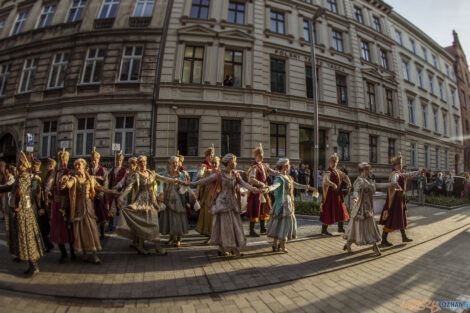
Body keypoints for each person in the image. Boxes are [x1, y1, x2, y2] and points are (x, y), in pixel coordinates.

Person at [188, 154, 261, 257]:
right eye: (234, 162)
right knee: (225, 227)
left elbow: (244, 184)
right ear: (229, 163)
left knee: (235, 225)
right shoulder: (219, 175)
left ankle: (232, 247)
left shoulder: (235, 175)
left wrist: (254, 189)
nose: (236, 163)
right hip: (222, 203)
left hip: (232, 203)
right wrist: (189, 184)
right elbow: (204, 181)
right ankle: (224, 248)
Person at [117, 155, 177, 255]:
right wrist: (122, 197)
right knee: (143, 225)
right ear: (138, 164)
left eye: (144, 161)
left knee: (154, 224)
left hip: (152, 201)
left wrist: (174, 180)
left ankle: (157, 247)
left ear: (146, 162)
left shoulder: (151, 173)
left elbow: (162, 178)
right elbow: (129, 187)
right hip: (142, 201)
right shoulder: (136, 175)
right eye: (140, 162)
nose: (142, 163)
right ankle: (141, 246)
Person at [61, 159, 117, 264]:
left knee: (92, 230)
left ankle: (94, 254)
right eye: (75, 165)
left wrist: (112, 191)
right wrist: (64, 182)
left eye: (79, 164)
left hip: (89, 208)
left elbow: (100, 188)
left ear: (84, 166)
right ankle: (84, 253)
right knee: (81, 231)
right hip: (78, 208)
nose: (77, 166)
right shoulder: (74, 178)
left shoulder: (90, 178)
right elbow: (69, 185)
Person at [343, 162, 398, 256]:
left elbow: (378, 185)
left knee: (371, 228)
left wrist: (391, 185)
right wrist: (355, 198)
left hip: (368, 208)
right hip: (360, 209)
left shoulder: (368, 180)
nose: (369, 171)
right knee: (356, 229)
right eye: (366, 169)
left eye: (368, 169)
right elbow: (356, 191)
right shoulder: (359, 181)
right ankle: (349, 244)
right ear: (362, 171)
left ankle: (374, 246)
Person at [267, 158, 317, 253]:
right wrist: (269, 188)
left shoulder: (288, 177)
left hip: (288, 202)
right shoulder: (279, 177)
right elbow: (275, 185)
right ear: (284, 166)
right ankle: (281, 244)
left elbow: (296, 185)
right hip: (282, 202)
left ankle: (275, 244)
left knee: (281, 223)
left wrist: (308, 187)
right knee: (283, 223)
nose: (289, 165)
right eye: (288, 164)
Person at [380, 153, 427, 246]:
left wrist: (420, 171)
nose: (401, 165)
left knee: (401, 218)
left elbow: (409, 175)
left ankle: (403, 236)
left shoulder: (400, 173)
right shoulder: (395, 174)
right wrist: (396, 185)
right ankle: (384, 239)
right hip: (394, 201)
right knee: (392, 218)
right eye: (400, 164)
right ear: (397, 164)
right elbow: (394, 180)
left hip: (399, 199)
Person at [9, 152, 45, 276]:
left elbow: (19, 192)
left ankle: (34, 266)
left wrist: (17, 206)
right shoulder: (21, 176)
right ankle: (31, 265)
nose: (18, 164)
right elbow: (13, 189)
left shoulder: (24, 176)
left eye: (20, 163)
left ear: (23, 165)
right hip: (24, 210)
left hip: (24, 211)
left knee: (28, 238)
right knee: (25, 237)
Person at [246, 143, 279, 237]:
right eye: (260, 155)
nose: (262, 156)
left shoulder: (264, 165)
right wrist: (261, 184)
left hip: (263, 191)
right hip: (256, 192)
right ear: (256, 156)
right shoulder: (254, 167)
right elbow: (251, 178)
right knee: (255, 209)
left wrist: (280, 173)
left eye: (262, 155)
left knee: (264, 209)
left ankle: (263, 228)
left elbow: (272, 171)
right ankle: (252, 230)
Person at [50, 148, 75, 263]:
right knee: (57, 228)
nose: (63, 163)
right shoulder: (54, 174)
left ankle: (73, 252)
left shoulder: (69, 173)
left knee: (69, 228)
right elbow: (49, 186)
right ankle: (63, 253)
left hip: (66, 205)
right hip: (56, 204)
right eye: (61, 161)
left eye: (65, 161)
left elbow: (71, 184)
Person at [159, 156, 190, 247]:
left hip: (178, 199)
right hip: (167, 197)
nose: (175, 164)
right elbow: (161, 184)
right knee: (169, 218)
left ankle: (179, 239)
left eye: (176, 162)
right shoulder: (165, 173)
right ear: (170, 164)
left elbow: (186, 187)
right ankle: (171, 238)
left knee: (177, 218)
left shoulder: (181, 175)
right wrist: (161, 194)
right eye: (173, 163)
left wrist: (184, 184)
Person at [319, 153, 351, 235]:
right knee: (328, 210)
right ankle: (324, 230)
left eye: (335, 162)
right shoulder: (328, 171)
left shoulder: (337, 171)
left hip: (337, 195)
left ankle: (340, 228)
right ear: (329, 162)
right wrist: (333, 184)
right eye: (332, 162)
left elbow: (345, 177)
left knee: (341, 209)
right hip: (330, 195)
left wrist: (349, 184)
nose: (333, 164)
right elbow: (325, 180)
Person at [31, 159, 53, 252]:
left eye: (33, 166)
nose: (32, 167)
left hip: (39, 204)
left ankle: (46, 245)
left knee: (41, 225)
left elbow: (34, 191)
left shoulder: (37, 177)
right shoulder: (38, 176)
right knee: (40, 225)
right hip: (39, 203)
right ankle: (46, 244)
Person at [196, 155, 220, 240]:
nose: (213, 164)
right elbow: (200, 181)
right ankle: (210, 236)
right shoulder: (207, 172)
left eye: (215, 163)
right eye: (212, 163)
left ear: (219, 164)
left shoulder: (220, 173)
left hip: (215, 197)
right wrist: (197, 193)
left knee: (214, 217)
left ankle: (215, 236)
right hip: (206, 197)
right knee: (207, 216)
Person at [88, 147, 109, 238]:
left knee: (101, 215)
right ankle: (93, 232)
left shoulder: (103, 170)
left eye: (95, 159)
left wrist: (101, 194)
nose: (94, 161)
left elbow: (106, 183)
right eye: (92, 160)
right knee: (92, 215)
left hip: (100, 195)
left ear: (98, 160)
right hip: (91, 196)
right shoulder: (88, 170)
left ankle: (102, 232)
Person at [0, 164, 19, 261]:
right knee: (10, 231)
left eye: (3, 168)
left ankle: (17, 253)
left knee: (14, 232)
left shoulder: (13, 179)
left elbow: (6, 187)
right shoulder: (9, 179)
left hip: (15, 209)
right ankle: (15, 253)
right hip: (8, 208)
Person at [107, 151, 127, 232]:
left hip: (120, 191)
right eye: (117, 160)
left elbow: (124, 182)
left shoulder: (124, 170)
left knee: (120, 208)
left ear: (122, 161)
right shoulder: (113, 169)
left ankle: (120, 226)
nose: (118, 161)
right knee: (112, 208)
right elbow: (109, 179)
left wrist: (121, 190)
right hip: (112, 190)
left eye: (120, 160)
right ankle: (111, 225)